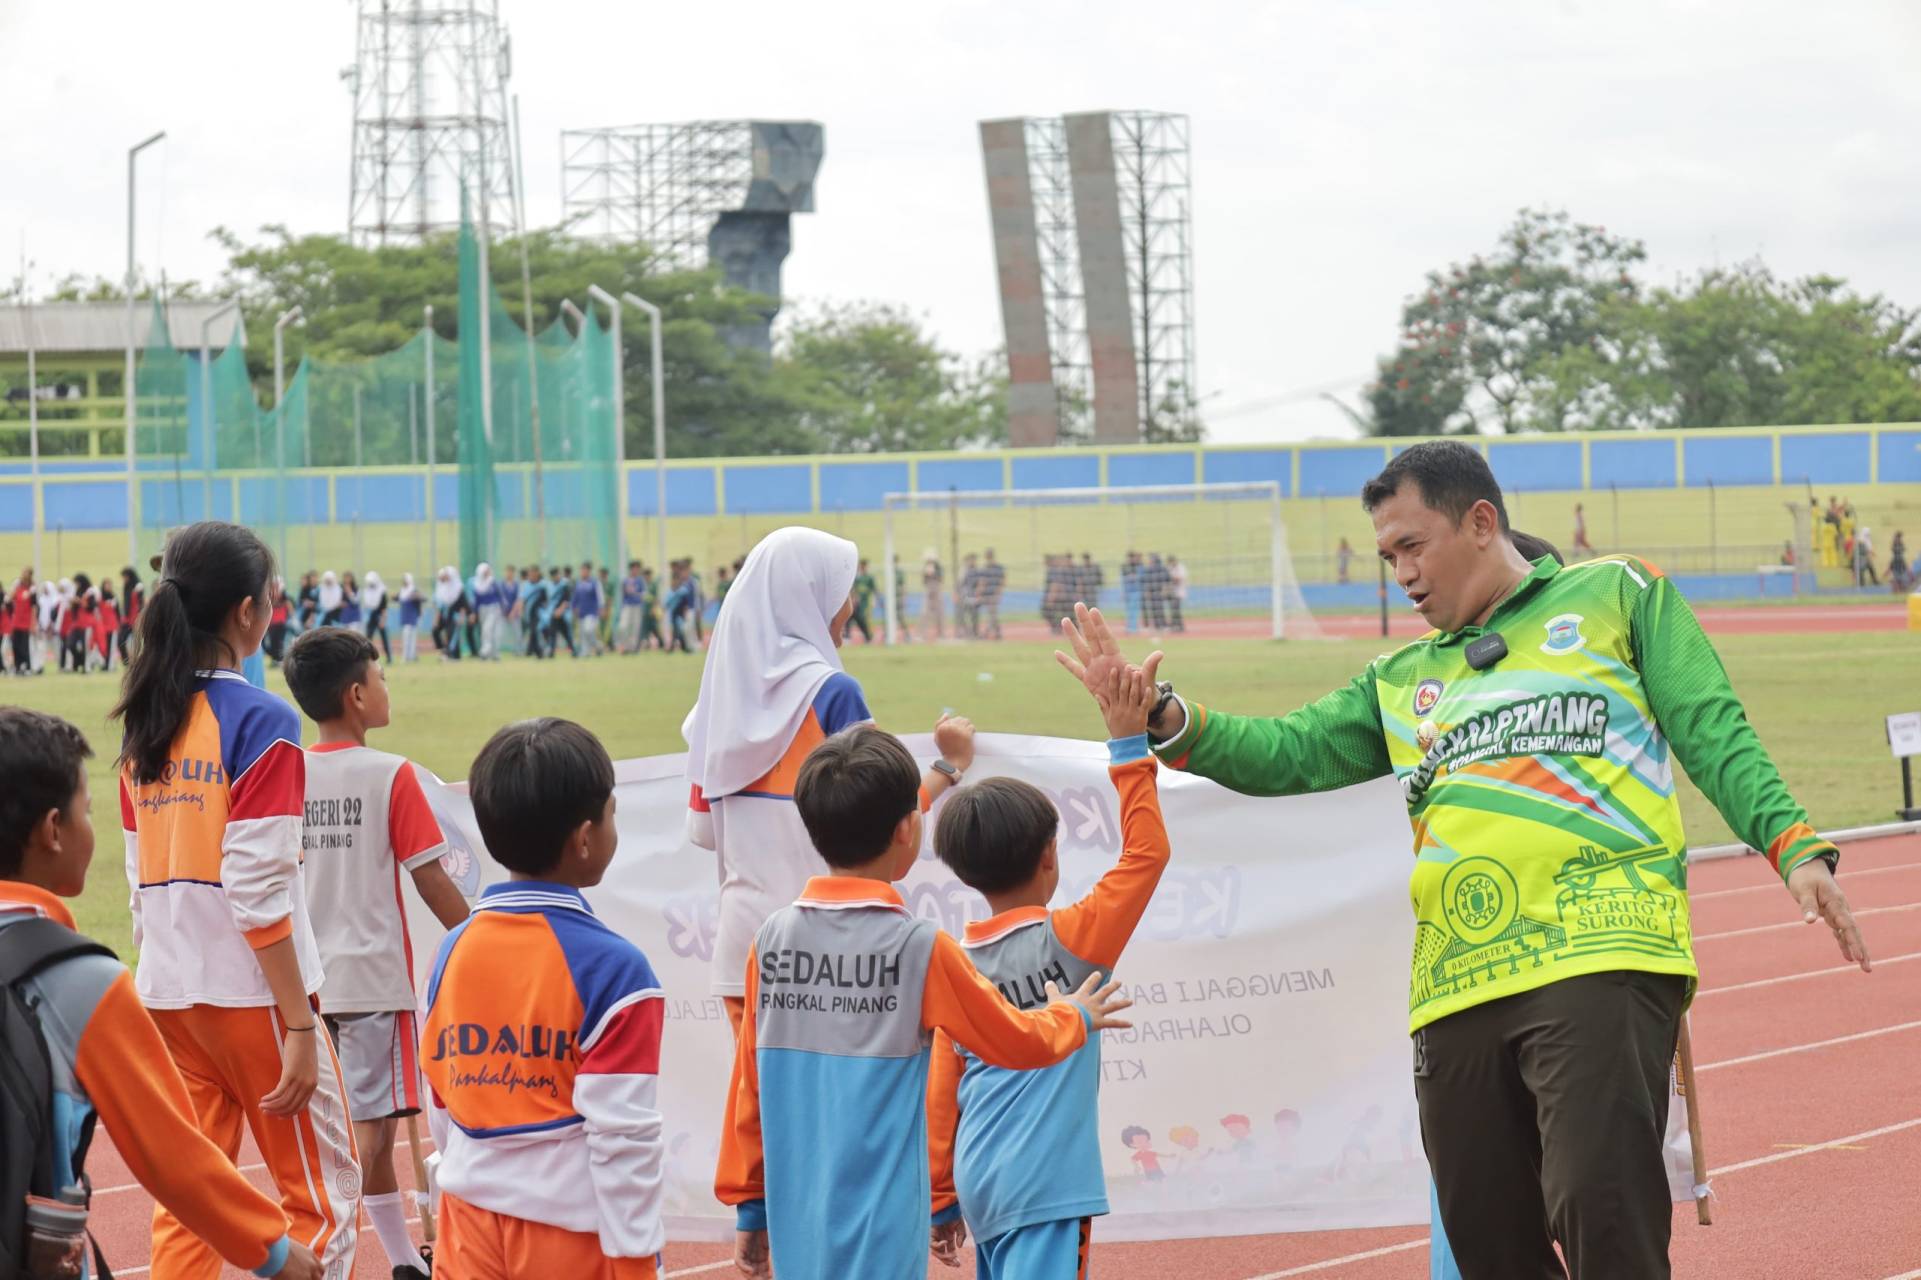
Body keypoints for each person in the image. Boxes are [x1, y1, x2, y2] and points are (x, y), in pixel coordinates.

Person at [1057, 441, 1870, 1279]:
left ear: (1481, 521)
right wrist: (1160, 712)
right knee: (1487, 1245)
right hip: (1456, 985)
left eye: (1412, 546)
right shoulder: (1398, 678)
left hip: (1600, 950)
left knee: (1597, 1206)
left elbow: (1709, 725)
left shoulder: (1617, 595)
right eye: (1387, 557)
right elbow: (1285, 751)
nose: (1401, 575)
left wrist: (1789, 843)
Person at [714, 724, 1133, 1280]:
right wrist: (1074, 1014)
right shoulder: (919, 947)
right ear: (907, 830)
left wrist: (750, 1202)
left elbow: (749, 1082)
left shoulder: (771, 940)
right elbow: (1013, 1040)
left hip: (796, 1218)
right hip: (883, 1228)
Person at [111, 521, 359, 1278]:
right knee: (320, 1198)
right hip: (254, 997)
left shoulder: (146, 718)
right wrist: (298, 1023)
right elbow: (256, 887)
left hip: (169, 994)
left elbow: (137, 879)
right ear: (247, 612)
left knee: (196, 1197)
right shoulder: (263, 720)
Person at [0, 708, 325, 1280]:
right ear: (53, 830)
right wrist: (272, 1250)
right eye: (86, 811)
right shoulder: (82, 981)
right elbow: (170, 1153)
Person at [927, 662, 1169, 1276]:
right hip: (1047, 1188)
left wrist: (940, 1195)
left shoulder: (955, 965)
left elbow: (941, 1090)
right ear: (1049, 856)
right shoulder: (1077, 939)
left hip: (979, 1180)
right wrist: (1128, 744)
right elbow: (1147, 854)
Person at [422, 718, 666, 1280]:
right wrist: (636, 1262)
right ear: (584, 839)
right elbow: (624, 1138)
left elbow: (442, 1101)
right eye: (611, 815)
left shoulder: (451, 951)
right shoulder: (616, 969)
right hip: (570, 1238)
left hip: (465, 1225)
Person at [283, 627, 470, 1280]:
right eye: (381, 677)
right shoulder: (391, 774)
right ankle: (333, 1251)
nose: (388, 687)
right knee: (371, 1135)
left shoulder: (289, 774)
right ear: (357, 695)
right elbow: (432, 877)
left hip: (305, 985)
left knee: (350, 1136)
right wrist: (480, 937)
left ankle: (401, 1261)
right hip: (371, 981)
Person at [470, 562, 506, 660]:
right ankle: (488, 652)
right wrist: (474, 613)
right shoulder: (476, 584)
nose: (487, 573)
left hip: (494, 609)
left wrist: (503, 608)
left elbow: (500, 596)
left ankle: (489, 652)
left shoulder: (492, 582)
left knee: (491, 630)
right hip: (483, 610)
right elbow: (476, 601)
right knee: (485, 631)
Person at [432, 566, 468, 660]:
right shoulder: (443, 588)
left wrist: (462, 616)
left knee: (452, 635)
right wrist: (437, 618)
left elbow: (464, 604)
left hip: (455, 615)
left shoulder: (458, 589)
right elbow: (439, 605)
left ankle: (453, 655)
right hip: (446, 615)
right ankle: (445, 652)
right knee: (438, 631)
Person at [573, 561, 603, 657]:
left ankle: (595, 647)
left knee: (588, 630)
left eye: (585, 570)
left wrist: (601, 608)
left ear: (589, 571)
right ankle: (590, 650)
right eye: (582, 570)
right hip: (582, 612)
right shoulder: (578, 583)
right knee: (583, 634)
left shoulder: (594, 582)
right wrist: (574, 608)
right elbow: (575, 598)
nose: (583, 572)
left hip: (592, 612)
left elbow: (600, 597)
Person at [617, 561, 648, 653]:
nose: (635, 570)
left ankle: (632, 648)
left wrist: (635, 592)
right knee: (623, 626)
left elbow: (644, 594)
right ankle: (624, 645)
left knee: (635, 628)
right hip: (627, 606)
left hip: (637, 606)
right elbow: (622, 595)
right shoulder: (625, 580)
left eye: (637, 568)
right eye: (634, 568)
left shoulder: (640, 581)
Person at [361, 571, 391, 662]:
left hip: (379, 616)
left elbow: (384, 608)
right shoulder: (367, 590)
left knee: (384, 638)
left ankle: (389, 657)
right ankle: (367, 657)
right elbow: (367, 605)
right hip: (371, 616)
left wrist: (383, 620)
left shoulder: (382, 591)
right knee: (368, 638)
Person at [9, 568, 34, 675]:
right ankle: (17, 666)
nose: (23, 575)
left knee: (24, 646)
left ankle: (27, 666)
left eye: (25, 573)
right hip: (16, 621)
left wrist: (33, 623)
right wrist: (14, 587)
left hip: (26, 622)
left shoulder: (32, 589)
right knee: (15, 645)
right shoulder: (18, 587)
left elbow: (34, 607)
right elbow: (10, 598)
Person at [846, 558, 877, 645]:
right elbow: (853, 590)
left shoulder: (870, 578)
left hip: (866, 603)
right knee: (850, 618)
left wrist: (873, 601)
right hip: (856, 604)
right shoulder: (857, 578)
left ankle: (868, 636)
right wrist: (853, 599)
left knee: (863, 620)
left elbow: (874, 590)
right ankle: (848, 636)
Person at [119, 566, 145, 664]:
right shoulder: (126, 587)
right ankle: (126, 661)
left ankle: (138, 661)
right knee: (120, 640)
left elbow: (140, 603)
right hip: (127, 619)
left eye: (125, 577)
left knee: (137, 642)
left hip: (136, 619)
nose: (124, 579)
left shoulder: (138, 586)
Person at [396, 572, 424, 662]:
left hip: (413, 617)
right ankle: (406, 656)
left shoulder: (414, 591)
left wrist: (416, 597)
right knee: (406, 638)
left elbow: (422, 599)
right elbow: (396, 598)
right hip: (405, 617)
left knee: (412, 639)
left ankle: (411, 656)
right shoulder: (402, 591)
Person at [263, 578, 291, 664]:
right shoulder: (269, 594)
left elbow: (289, 606)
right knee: (271, 643)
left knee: (279, 642)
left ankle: (278, 660)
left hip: (281, 622)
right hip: (271, 622)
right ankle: (274, 659)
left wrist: (290, 616)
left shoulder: (284, 594)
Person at [957, 553, 982, 639]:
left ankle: (974, 632)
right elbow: (960, 583)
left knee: (974, 615)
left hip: (973, 596)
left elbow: (979, 583)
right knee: (963, 615)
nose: (973, 562)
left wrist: (978, 594)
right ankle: (967, 632)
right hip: (966, 596)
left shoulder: (976, 570)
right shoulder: (964, 571)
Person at [1166, 554, 1188, 632]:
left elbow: (1179, 579)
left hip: (1179, 592)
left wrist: (1171, 578)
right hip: (1172, 592)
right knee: (1173, 609)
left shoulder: (1181, 568)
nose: (1170, 564)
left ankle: (1178, 625)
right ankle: (1176, 625)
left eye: (1171, 562)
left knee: (1176, 609)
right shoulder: (1170, 568)